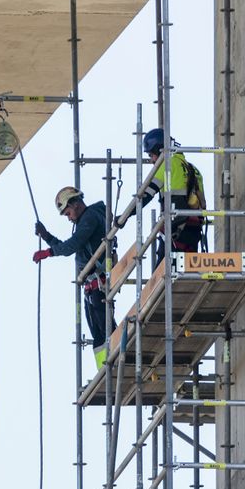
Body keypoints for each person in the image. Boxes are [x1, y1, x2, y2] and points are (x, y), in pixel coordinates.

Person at [34, 186, 113, 368]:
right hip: (91, 284)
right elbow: (73, 245)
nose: (68, 218)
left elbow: (73, 245)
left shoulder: (91, 216)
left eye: (68, 213)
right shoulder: (84, 221)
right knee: (98, 333)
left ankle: (113, 366)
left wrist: (49, 252)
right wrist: (47, 237)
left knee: (104, 329)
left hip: (98, 281)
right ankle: (105, 370)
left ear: (75, 204)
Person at [128, 128, 207, 264]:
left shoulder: (167, 164)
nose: (152, 160)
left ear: (159, 150)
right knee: (185, 276)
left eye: (151, 155)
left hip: (176, 232)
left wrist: (125, 216)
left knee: (164, 277)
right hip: (194, 231)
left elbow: (145, 195)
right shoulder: (193, 169)